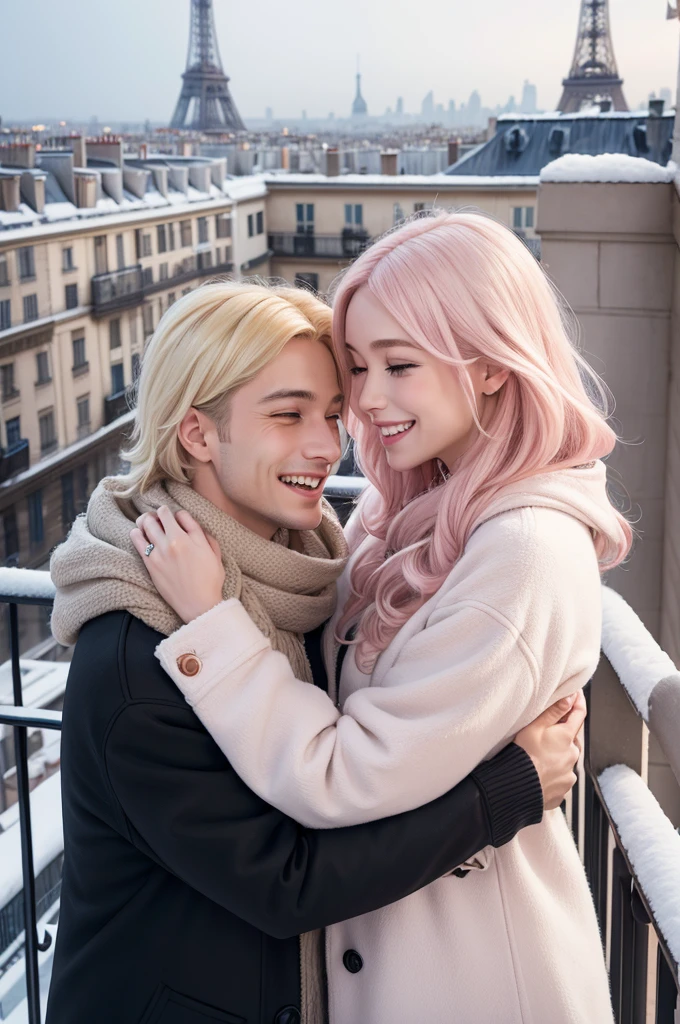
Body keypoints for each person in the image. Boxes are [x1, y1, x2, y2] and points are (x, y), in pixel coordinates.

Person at [135, 214, 631, 1024]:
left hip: (478, 983)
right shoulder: (400, 511)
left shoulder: (526, 553)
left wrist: (212, 620)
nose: (366, 400)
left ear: (494, 363)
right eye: (358, 367)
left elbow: (340, 774)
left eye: (399, 365)